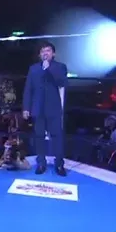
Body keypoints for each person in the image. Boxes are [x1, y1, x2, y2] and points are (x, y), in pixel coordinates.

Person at [22, 42, 68, 176]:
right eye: (43, 51)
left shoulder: (60, 67)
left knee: (57, 136)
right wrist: (26, 108)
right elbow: (28, 89)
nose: (45, 53)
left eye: (48, 51)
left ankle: (59, 164)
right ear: (39, 54)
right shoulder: (34, 69)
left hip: (53, 108)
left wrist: (49, 69)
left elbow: (62, 83)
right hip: (37, 108)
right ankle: (41, 163)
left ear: (53, 53)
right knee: (39, 136)